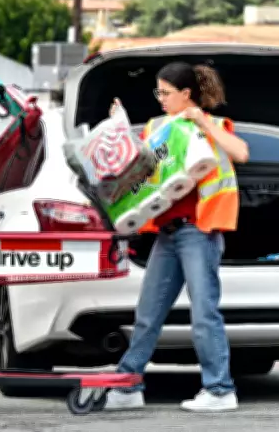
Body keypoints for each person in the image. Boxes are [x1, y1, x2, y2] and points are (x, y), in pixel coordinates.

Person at [104, 61, 249, 413]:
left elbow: (241, 152)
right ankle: (128, 384)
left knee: (204, 313)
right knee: (148, 313)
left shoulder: (211, 124)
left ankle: (219, 389)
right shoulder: (157, 127)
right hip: (168, 235)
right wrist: (118, 128)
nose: (161, 99)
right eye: (158, 92)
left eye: (167, 93)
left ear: (187, 94)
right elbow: (132, 166)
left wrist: (201, 122)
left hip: (199, 232)